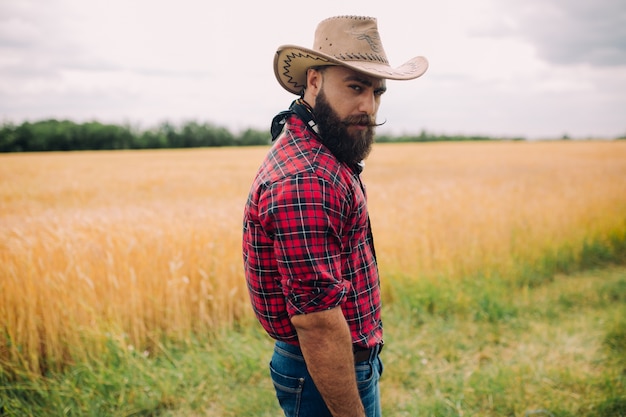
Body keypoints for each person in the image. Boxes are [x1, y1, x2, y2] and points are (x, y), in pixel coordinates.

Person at [242, 15, 428, 417]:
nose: (369, 106)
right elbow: (317, 322)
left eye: (377, 91)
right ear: (314, 81)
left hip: (336, 361)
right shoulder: (308, 178)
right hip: (322, 368)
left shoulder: (321, 151)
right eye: (355, 87)